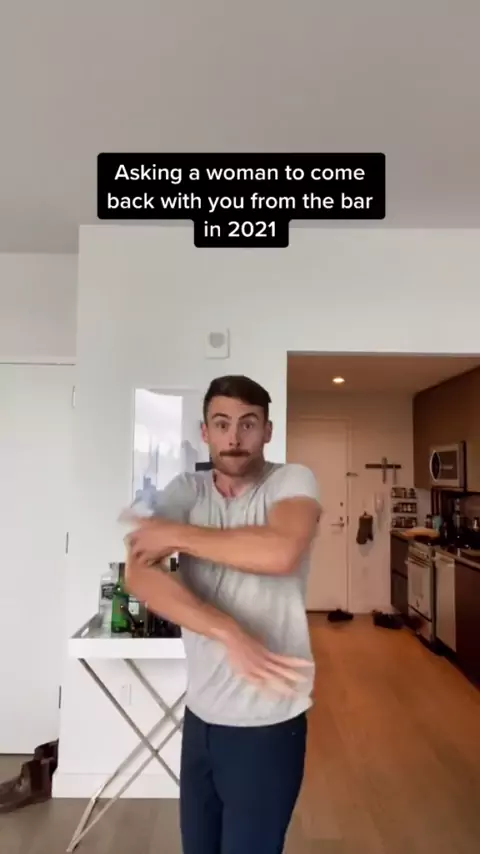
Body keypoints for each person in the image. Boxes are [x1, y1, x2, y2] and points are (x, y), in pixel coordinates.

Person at [125, 375, 321, 854]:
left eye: (248, 424)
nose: (234, 437)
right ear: (205, 431)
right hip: (201, 717)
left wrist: (177, 535)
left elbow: (280, 551)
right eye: (222, 423)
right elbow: (139, 574)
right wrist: (227, 631)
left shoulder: (291, 481)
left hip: (267, 723)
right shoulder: (187, 489)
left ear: (267, 431)